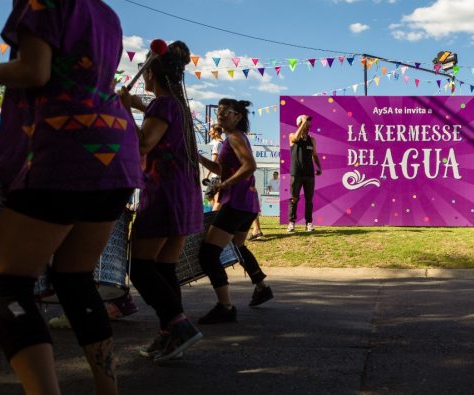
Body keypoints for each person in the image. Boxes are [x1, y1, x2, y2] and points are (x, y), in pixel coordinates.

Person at [0, 1, 142, 393]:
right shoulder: (104, 12)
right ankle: (107, 388)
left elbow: (34, 71)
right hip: (113, 154)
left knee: (6, 289)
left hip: (61, 150)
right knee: (74, 278)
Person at [119, 41, 204, 362]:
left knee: (139, 269)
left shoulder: (162, 107)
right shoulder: (177, 107)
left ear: (151, 72)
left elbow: (143, 144)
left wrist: (126, 108)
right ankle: (171, 334)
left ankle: (179, 326)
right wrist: (140, 106)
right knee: (164, 269)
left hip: (162, 192)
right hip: (182, 193)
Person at [196, 98, 273, 324]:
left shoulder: (236, 137)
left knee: (208, 254)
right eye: (219, 111)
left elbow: (250, 166)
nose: (220, 114)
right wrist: (197, 157)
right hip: (247, 204)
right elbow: (222, 168)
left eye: (226, 111)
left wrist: (225, 184)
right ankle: (261, 286)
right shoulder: (233, 139)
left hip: (237, 202)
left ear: (238, 116)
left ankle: (225, 306)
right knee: (238, 247)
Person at [288, 114, 322, 232]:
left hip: (309, 174)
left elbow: (315, 155)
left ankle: (309, 223)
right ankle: (292, 223)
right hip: (296, 173)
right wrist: (302, 122)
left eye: (308, 122)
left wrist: (319, 167)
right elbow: (296, 138)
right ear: (299, 123)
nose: (308, 124)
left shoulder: (312, 140)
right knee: (294, 198)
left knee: (309, 200)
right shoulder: (292, 136)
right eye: (306, 121)